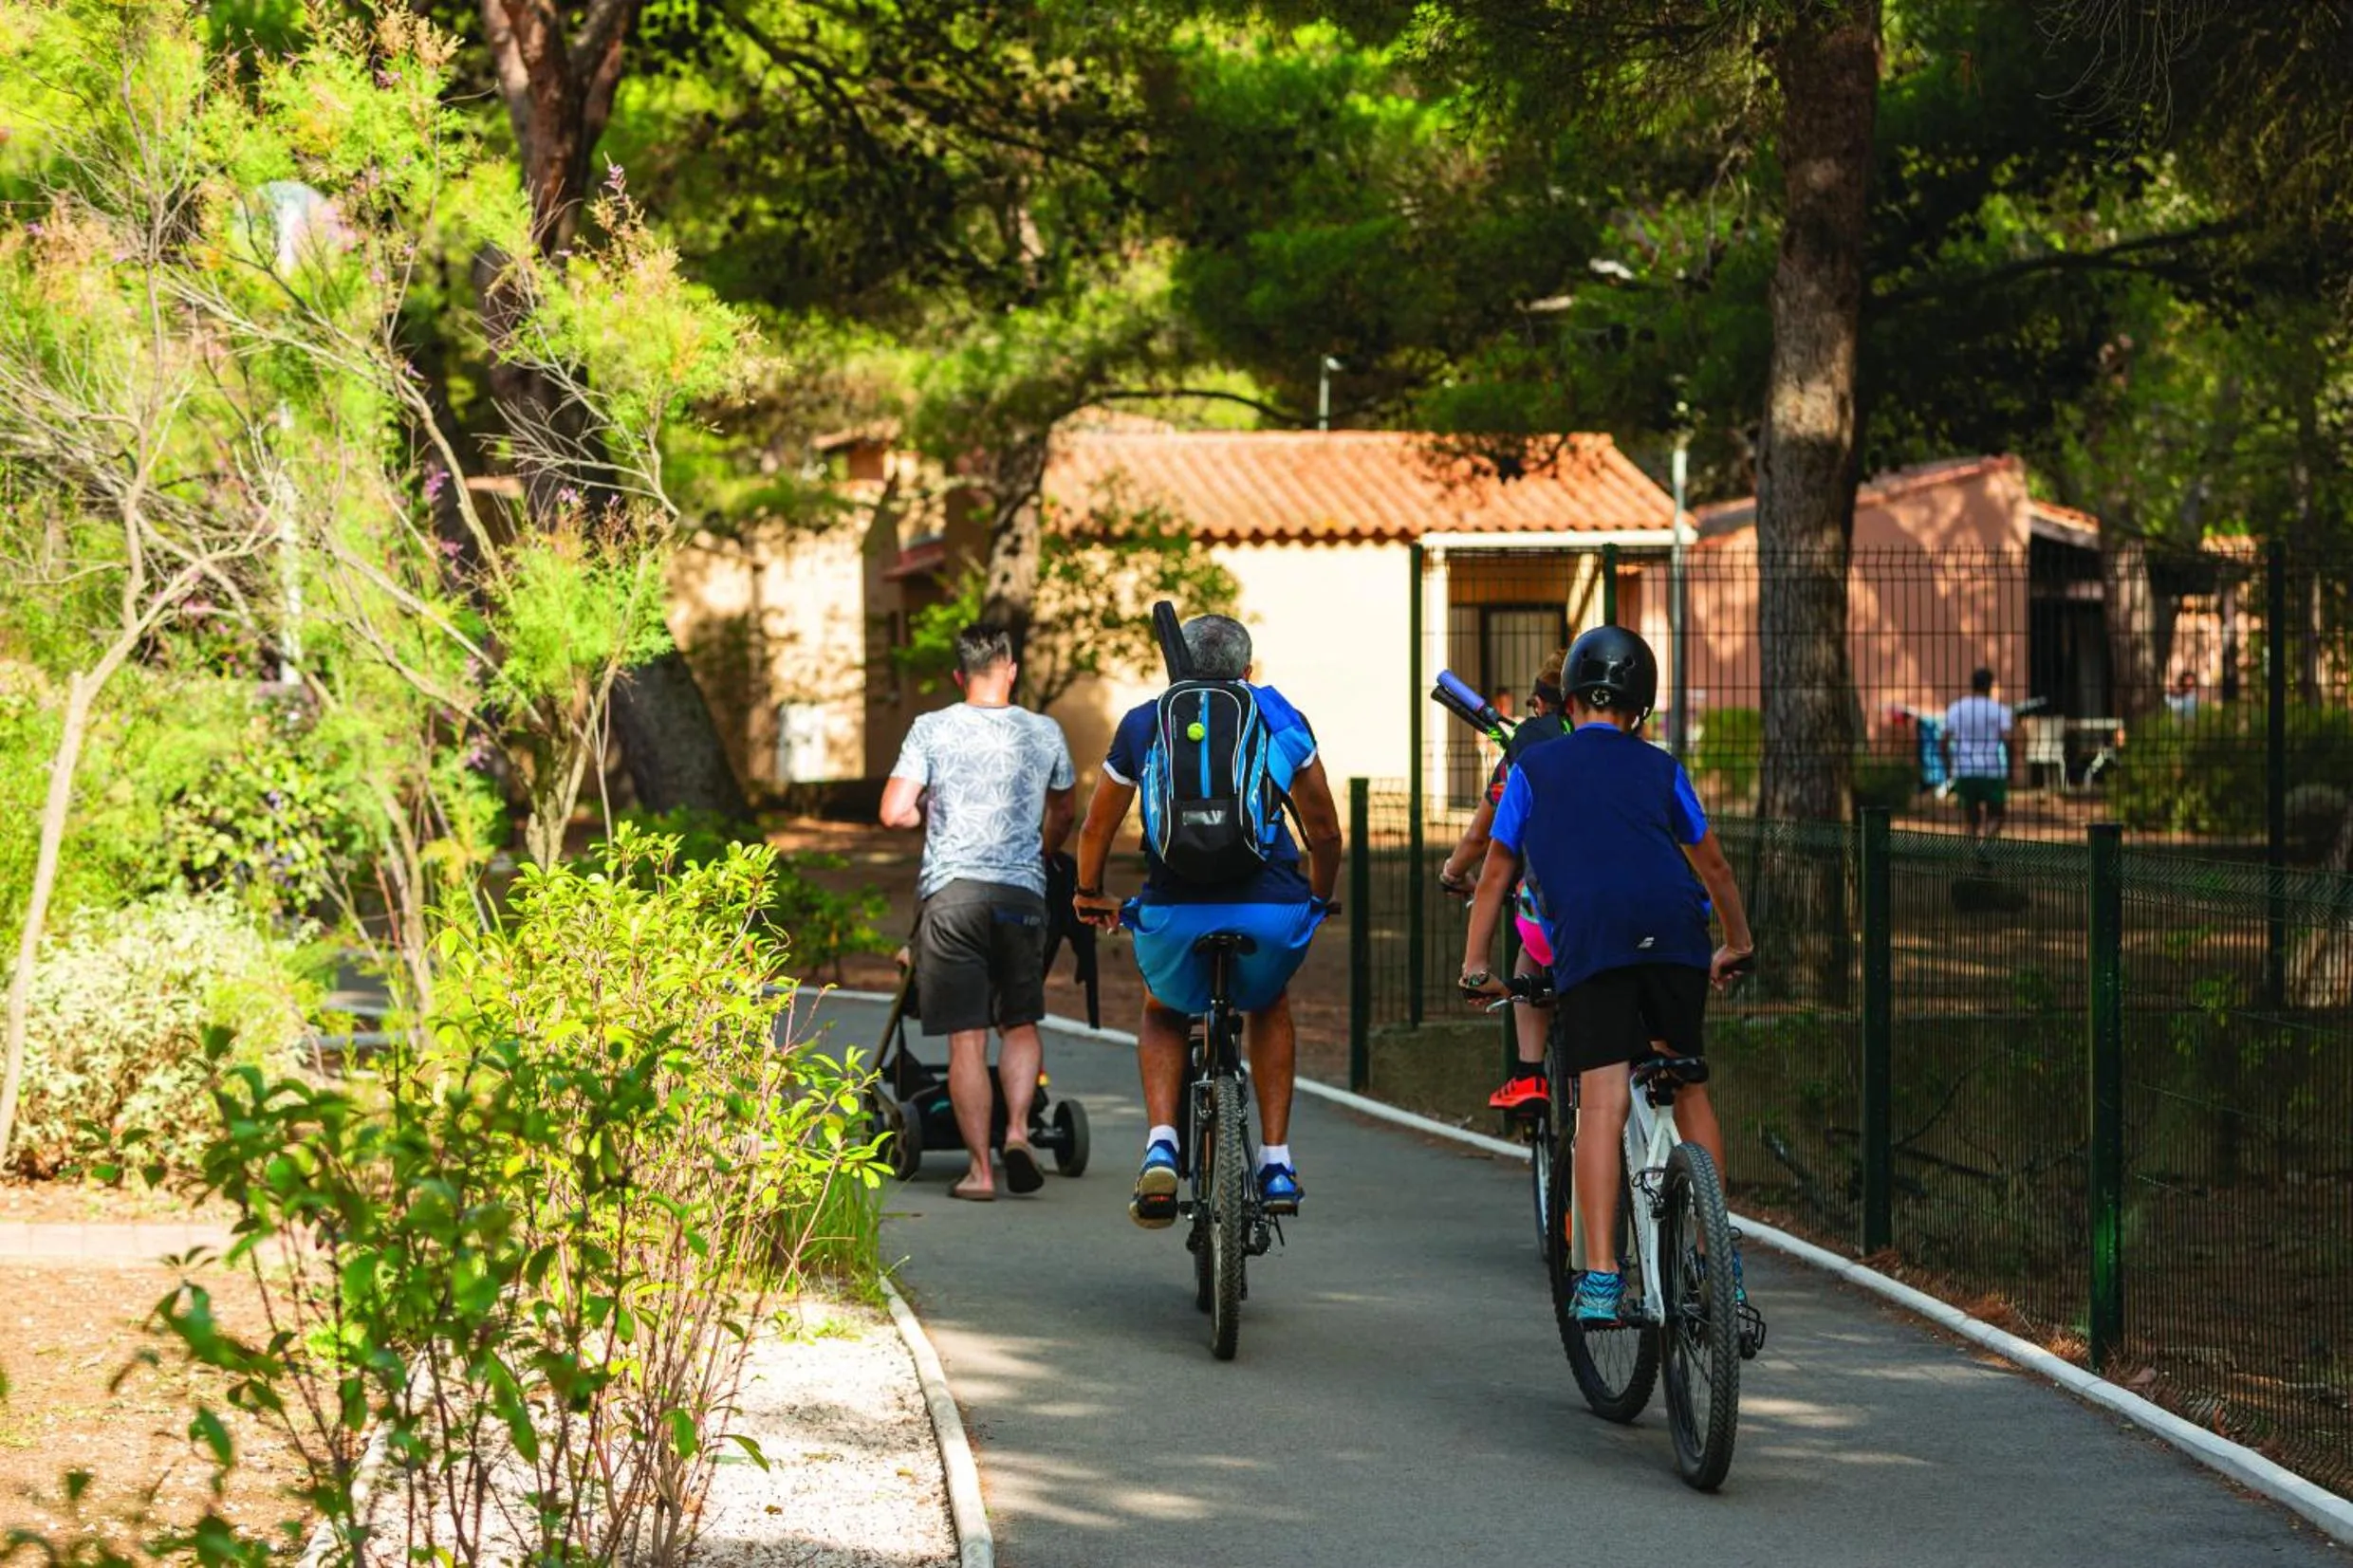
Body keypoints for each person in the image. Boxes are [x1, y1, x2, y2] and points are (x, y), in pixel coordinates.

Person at [1458, 624, 1754, 1324]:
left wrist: (1476, 964)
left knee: (1601, 1104)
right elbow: (1713, 866)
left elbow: (1497, 871)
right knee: (1686, 1083)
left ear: (1567, 699)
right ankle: (1721, 1261)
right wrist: (1736, 942)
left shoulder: (1534, 769)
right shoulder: (1663, 768)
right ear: (1641, 709)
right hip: (1678, 939)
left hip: (1592, 942)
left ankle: (1598, 1275)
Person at [1071, 615, 1343, 1227]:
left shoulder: (1147, 721)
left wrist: (1090, 891)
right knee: (1268, 1001)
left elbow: (1095, 827)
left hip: (1175, 912)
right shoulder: (1278, 716)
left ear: (1179, 666)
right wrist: (1319, 898)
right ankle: (1275, 1160)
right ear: (1248, 672)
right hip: (1270, 910)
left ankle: (1162, 1142)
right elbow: (1324, 829)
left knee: (1163, 1008)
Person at [880, 623, 1078, 1202]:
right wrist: (1038, 851)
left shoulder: (931, 728)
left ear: (958, 677)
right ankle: (1017, 1133)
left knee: (966, 1038)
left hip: (953, 899)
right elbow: (1065, 811)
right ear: (1011, 670)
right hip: (1021, 898)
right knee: (1019, 1023)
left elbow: (894, 811)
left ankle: (980, 1173)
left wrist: (921, 816)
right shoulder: (1045, 732)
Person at [1437, 649, 1570, 1110]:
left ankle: (1530, 1072)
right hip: (1641, 919)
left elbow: (1481, 838)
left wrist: (1453, 873)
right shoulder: (1628, 751)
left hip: (1552, 919)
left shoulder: (1525, 755)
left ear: (1539, 704)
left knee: (1529, 957)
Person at [1943, 667, 2014, 852]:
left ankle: (1972, 854)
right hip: (1992, 770)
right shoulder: (1998, 709)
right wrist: (2011, 767)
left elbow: (1943, 740)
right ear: (1990, 685)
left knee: (1970, 818)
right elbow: (2008, 740)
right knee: (1997, 815)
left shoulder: (1957, 708)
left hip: (1965, 770)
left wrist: (1949, 767)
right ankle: (1986, 847)